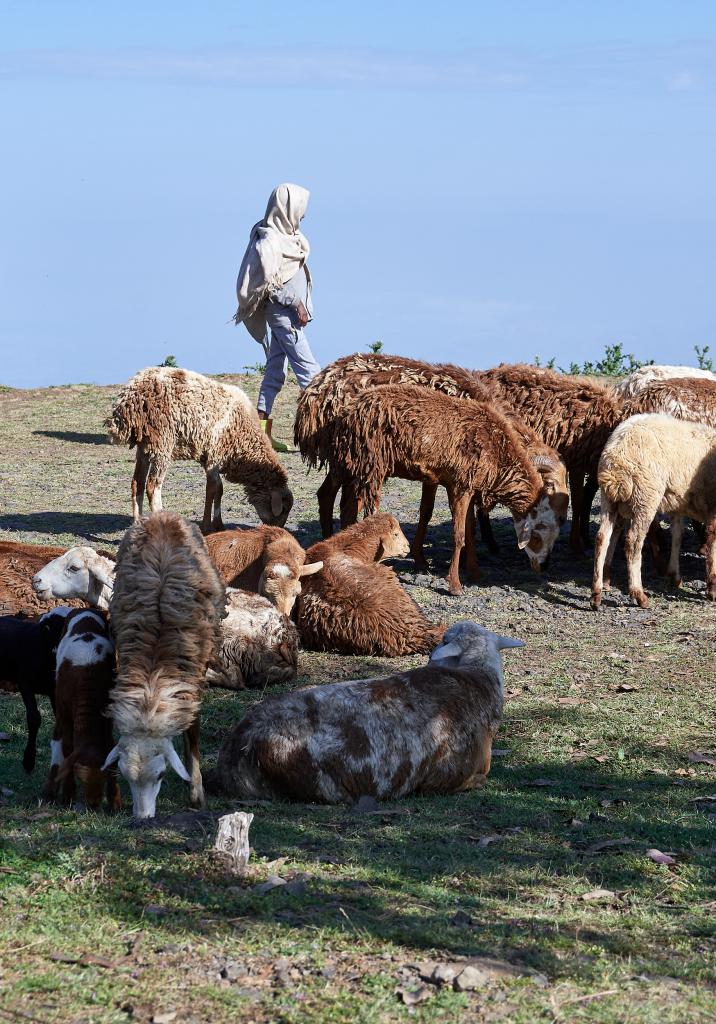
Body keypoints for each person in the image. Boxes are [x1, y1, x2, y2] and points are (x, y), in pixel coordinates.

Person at [234, 183, 320, 452]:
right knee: (310, 371)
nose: (303, 216)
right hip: (283, 314)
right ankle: (318, 433)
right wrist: (297, 304)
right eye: (300, 210)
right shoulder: (269, 240)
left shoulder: (289, 236)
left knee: (275, 372)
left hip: (287, 315)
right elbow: (270, 285)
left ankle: (261, 433)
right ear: (287, 208)